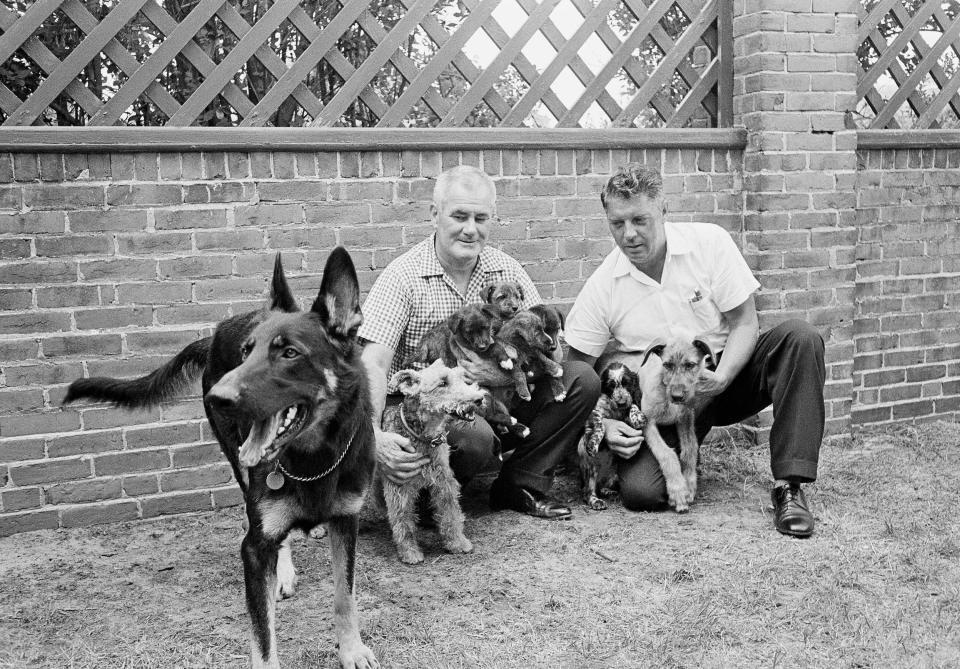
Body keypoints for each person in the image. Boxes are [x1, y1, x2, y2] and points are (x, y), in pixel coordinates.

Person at [564, 163, 825, 538]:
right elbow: (577, 373)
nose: (629, 234)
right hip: (665, 399)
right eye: (617, 224)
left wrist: (721, 378)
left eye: (640, 220)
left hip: (724, 375)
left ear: (663, 211)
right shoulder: (604, 284)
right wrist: (603, 423)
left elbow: (745, 323)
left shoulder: (709, 243)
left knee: (800, 338)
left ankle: (790, 486)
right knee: (642, 493)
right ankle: (686, 456)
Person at [359, 165, 600, 520]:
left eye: (480, 218)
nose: (470, 229)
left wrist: (503, 376)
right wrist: (374, 435)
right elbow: (373, 363)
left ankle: (519, 484)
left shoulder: (508, 271)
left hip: (500, 392)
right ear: (434, 215)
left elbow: (553, 348)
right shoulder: (403, 276)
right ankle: (424, 498)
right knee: (474, 435)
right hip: (429, 406)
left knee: (581, 378)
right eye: (459, 216)